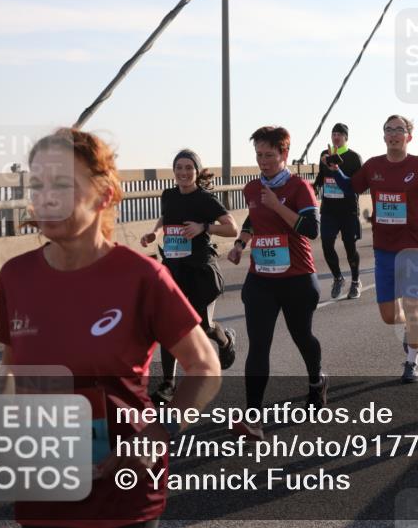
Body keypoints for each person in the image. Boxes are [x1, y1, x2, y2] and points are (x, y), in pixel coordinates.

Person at [0, 128, 221, 528]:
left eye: (63, 184)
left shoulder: (141, 276)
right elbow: (12, 373)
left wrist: (155, 438)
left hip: (124, 484)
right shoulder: (15, 277)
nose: (45, 196)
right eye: (38, 184)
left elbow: (205, 368)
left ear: (104, 195)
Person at [332, 116, 418, 383]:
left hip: (413, 248)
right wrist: (335, 168)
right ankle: (408, 327)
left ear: (409, 136)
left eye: (399, 129)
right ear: (383, 136)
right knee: (388, 316)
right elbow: (351, 186)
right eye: (389, 130)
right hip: (383, 249)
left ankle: (411, 363)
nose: (394, 134)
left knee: (414, 307)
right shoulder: (373, 166)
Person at [227, 126, 327, 440]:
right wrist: (240, 245)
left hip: (297, 279)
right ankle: (253, 418)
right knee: (258, 345)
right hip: (261, 280)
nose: (263, 161)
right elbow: (252, 219)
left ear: (284, 153)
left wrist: (277, 206)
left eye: (269, 155)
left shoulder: (300, 188)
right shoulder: (252, 188)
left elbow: (312, 229)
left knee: (303, 337)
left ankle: (316, 379)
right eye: (259, 155)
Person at [140, 150, 239, 405]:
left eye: (188, 168)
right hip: (174, 269)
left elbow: (232, 227)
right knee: (168, 327)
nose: (183, 173)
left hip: (200, 270)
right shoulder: (169, 194)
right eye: (179, 168)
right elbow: (166, 216)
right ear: (173, 171)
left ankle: (225, 340)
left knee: (203, 327)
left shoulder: (204, 199)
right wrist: (154, 233)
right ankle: (168, 385)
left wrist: (204, 227)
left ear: (196, 170)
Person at [312, 123, 364, 299]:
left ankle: (356, 281)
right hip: (328, 210)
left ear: (346, 138)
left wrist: (339, 171)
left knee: (350, 247)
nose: (336, 137)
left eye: (340, 134)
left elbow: (359, 184)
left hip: (348, 210)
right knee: (326, 245)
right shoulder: (324, 155)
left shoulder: (354, 157)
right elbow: (321, 176)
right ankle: (338, 278)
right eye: (333, 134)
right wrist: (314, 187)